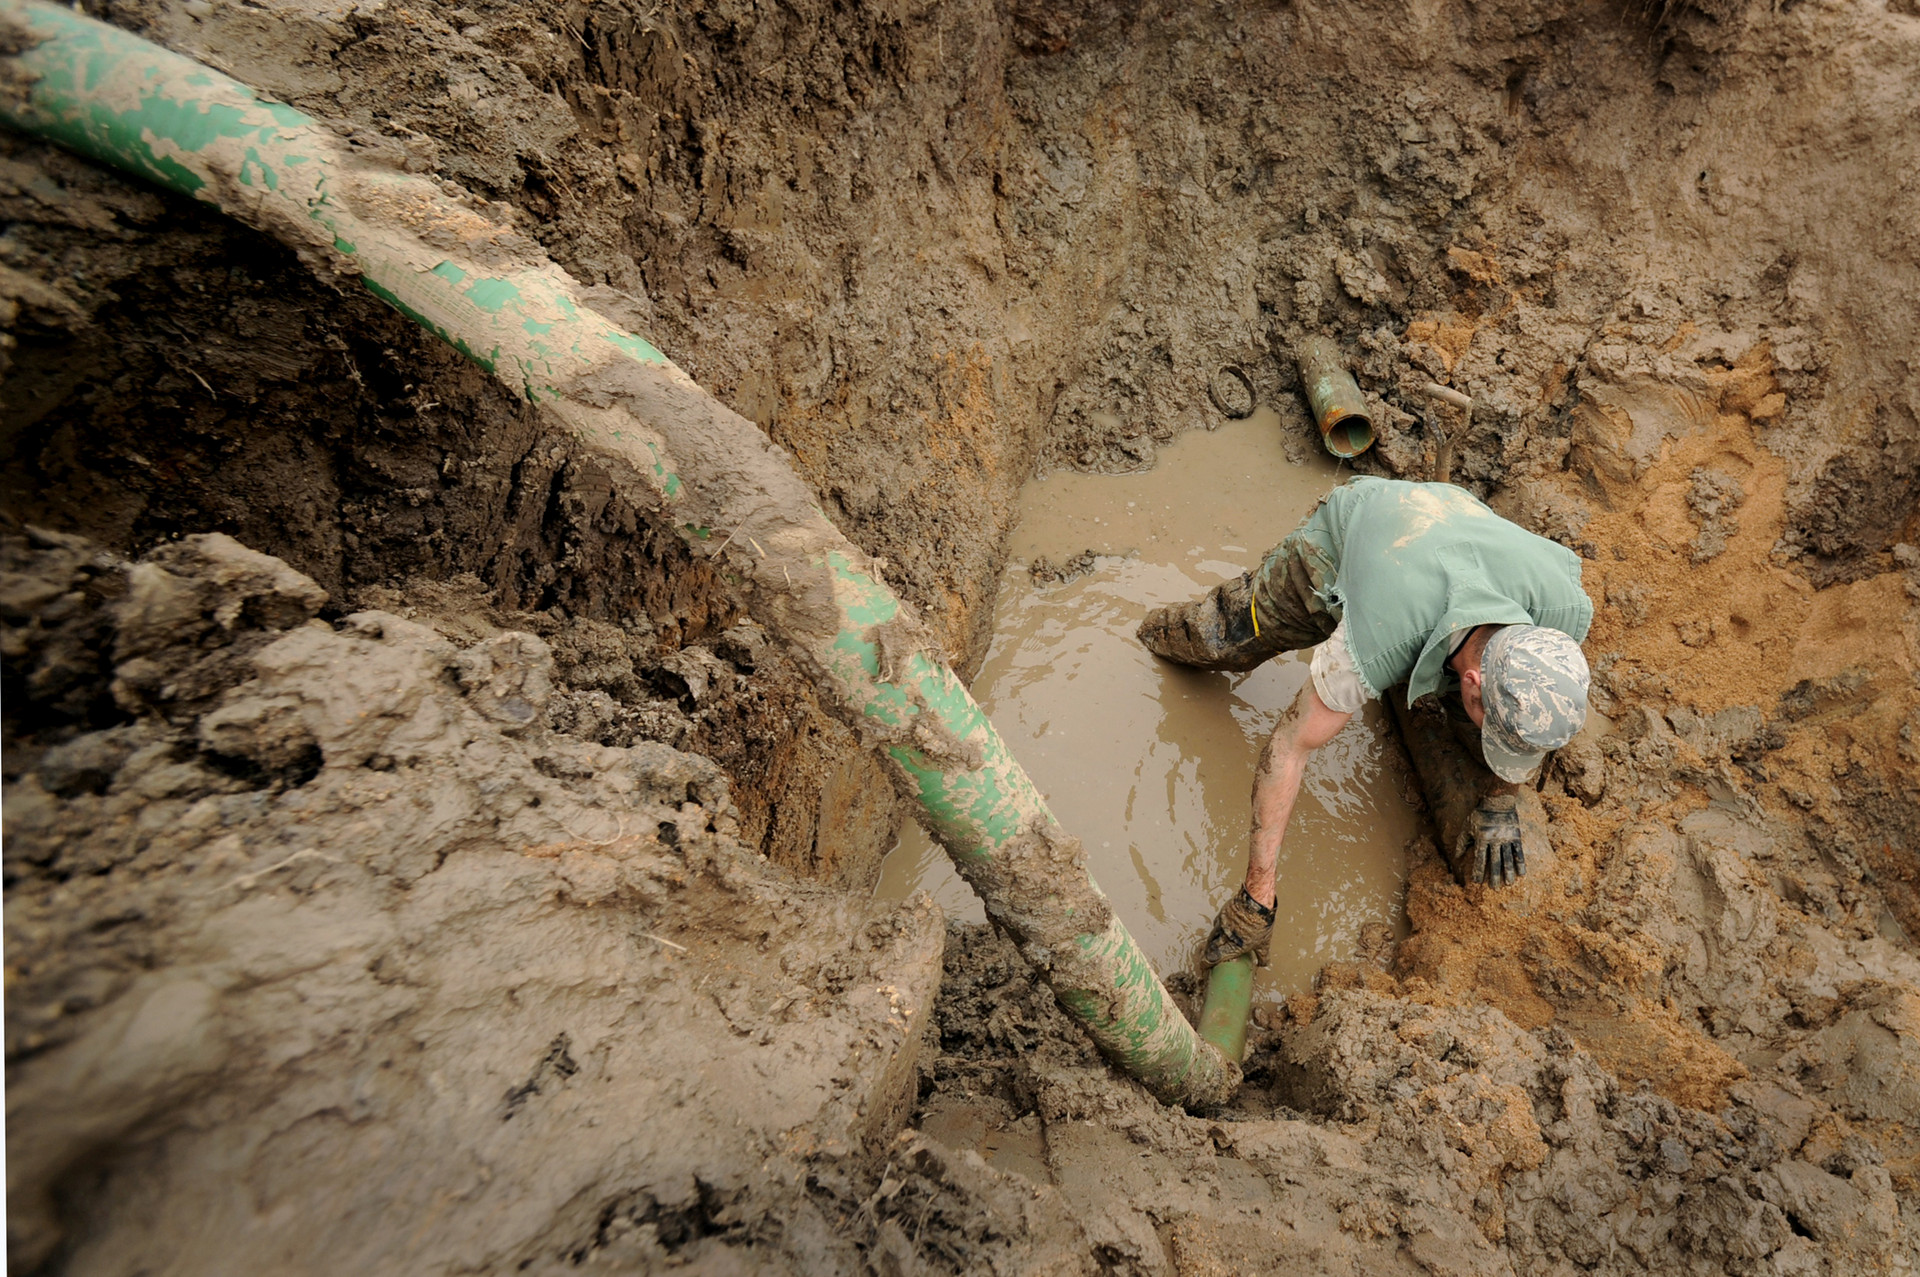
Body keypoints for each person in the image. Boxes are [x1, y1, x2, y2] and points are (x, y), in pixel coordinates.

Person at [1136, 476, 1592, 966]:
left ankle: (1439, 680)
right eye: (1494, 727)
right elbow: (1290, 745)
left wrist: (1501, 802)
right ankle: (1146, 633)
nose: (1495, 740)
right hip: (1357, 533)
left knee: (1472, 726)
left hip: (1457, 525)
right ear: (1474, 684)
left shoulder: (1561, 615)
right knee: (1226, 640)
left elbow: (1536, 712)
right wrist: (1256, 897)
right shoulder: (1379, 639)